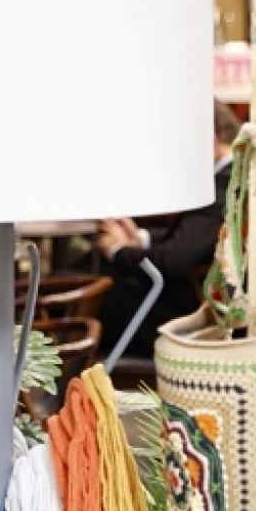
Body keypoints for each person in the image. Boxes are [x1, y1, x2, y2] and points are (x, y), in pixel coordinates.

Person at [96, 102, 240, 357]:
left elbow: (174, 260)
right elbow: (194, 239)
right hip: (202, 301)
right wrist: (139, 239)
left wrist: (118, 251)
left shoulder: (223, 186)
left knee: (93, 297)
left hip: (192, 318)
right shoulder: (228, 177)